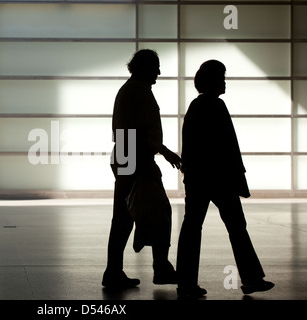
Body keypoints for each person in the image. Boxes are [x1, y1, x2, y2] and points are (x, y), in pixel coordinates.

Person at [176, 60, 274, 299]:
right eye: (221, 78)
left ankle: (186, 283)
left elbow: (191, 147)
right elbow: (228, 147)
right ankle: (251, 278)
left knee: (192, 228)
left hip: (199, 178)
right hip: (219, 179)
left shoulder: (196, 107)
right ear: (213, 82)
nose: (225, 82)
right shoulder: (216, 106)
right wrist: (237, 177)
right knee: (237, 228)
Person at [102, 49, 181, 289]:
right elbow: (139, 132)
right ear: (144, 68)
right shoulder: (138, 92)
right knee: (160, 212)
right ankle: (160, 268)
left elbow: (132, 132)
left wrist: (161, 152)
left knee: (124, 217)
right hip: (136, 159)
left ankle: (115, 271)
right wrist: (148, 162)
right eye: (155, 67)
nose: (158, 72)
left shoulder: (132, 90)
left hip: (127, 156)